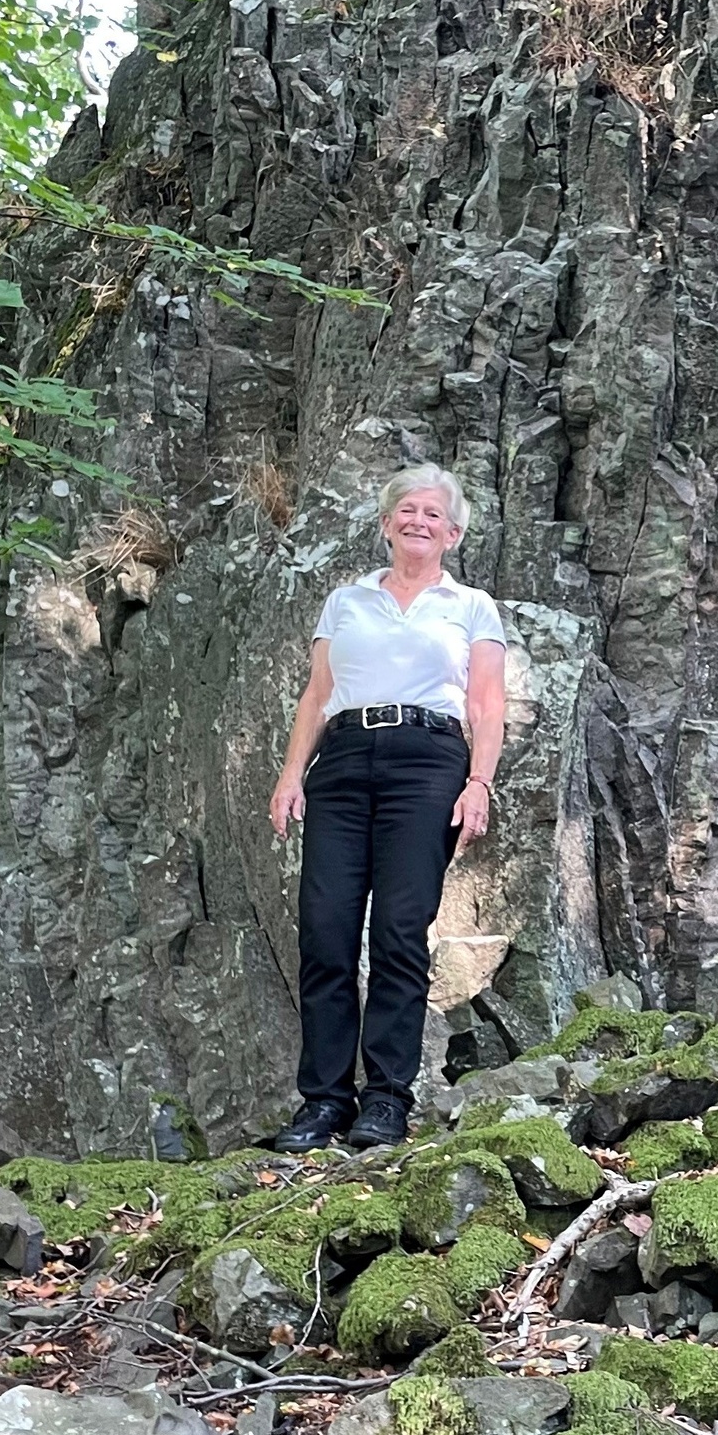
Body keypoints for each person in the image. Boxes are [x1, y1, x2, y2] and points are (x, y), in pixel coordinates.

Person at [268, 465, 506, 1151]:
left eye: (434, 514)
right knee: (326, 929)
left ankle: (388, 1100)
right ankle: (323, 1102)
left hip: (428, 762)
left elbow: (487, 703)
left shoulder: (470, 606)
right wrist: (292, 775)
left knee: (401, 930)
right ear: (385, 524)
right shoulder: (347, 601)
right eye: (407, 510)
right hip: (341, 762)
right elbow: (317, 696)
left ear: (452, 533)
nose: (419, 521)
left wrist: (479, 783)